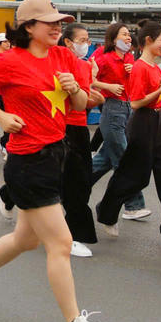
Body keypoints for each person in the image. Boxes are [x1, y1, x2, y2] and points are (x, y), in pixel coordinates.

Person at [0, 0, 115, 322]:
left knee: (26, 240)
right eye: (51, 22)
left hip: (57, 152)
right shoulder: (9, 60)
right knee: (59, 243)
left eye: (60, 21)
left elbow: (80, 106)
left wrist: (76, 90)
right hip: (27, 160)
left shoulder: (65, 57)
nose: (59, 27)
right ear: (29, 27)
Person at [93, 20, 161, 237]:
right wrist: (160, 90)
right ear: (148, 40)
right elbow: (136, 102)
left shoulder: (155, 67)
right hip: (141, 122)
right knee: (136, 176)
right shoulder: (139, 67)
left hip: (158, 122)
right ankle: (106, 210)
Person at [90, 22, 150, 220]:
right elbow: (89, 79)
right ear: (113, 38)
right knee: (124, 159)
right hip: (112, 107)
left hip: (127, 108)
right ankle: (133, 205)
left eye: (129, 35)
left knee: (103, 160)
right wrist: (108, 85)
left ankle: (70, 186)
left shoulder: (130, 57)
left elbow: (134, 84)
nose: (128, 38)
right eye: (124, 34)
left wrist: (133, 72)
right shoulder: (103, 56)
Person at [59, 23, 101, 257]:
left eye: (87, 39)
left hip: (80, 127)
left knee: (80, 180)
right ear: (68, 42)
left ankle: (9, 195)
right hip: (60, 126)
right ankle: (71, 236)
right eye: (81, 39)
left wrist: (94, 99)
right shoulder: (58, 62)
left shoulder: (84, 65)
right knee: (70, 182)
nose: (85, 44)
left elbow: (83, 99)